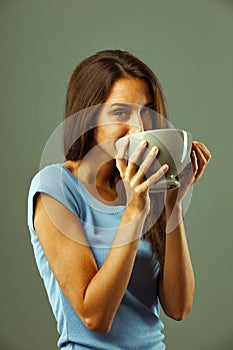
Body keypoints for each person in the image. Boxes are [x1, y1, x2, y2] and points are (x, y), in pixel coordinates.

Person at [27, 49, 211, 350]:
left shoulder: (140, 187)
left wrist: (173, 204)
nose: (138, 129)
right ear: (88, 117)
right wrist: (134, 214)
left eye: (146, 112)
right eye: (121, 113)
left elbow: (178, 308)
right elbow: (94, 317)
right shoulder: (56, 187)